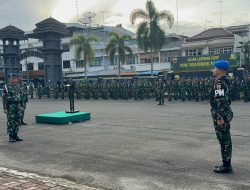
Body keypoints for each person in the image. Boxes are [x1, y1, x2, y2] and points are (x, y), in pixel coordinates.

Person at [209, 60, 233, 173]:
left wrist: (219, 117)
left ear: (220, 70)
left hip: (221, 115)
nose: (213, 69)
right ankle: (226, 163)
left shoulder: (219, 83)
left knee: (224, 140)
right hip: (225, 113)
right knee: (225, 139)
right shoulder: (225, 81)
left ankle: (226, 166)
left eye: (215, 67)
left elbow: (219, 101)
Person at [2, 73, 23, 142]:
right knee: (11, 121)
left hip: (18, 105)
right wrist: (4, 108)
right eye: (12, 78)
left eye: (15, 78)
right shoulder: (6, 87)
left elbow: (21, 96)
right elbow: (4, 98)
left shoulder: (18, 86)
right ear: (9, 79)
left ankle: (15, 135)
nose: (14, 80)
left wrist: (22, 106)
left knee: (17, 121)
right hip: (10, 106)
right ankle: (11, 136)